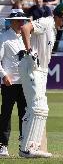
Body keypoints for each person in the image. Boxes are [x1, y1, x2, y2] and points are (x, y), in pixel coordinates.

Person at [17, 3, 63, 158]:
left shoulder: (53, 29)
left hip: (41, 70)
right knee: (38, 108)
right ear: (60, 16)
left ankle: (30, 146)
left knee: (38, 109)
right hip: (32, 67)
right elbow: (25, 28)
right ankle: (28, 148)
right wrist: (29, 50)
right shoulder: (46, 22)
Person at [0, 9, 29, 157]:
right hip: (9, 83)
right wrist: (4, 76)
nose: (21, 23)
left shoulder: (27, 36)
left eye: (23, 20)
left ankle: (24, 145)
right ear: (12, 21)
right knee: (6, 114)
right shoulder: (3, 37)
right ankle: (3, 145)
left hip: (25, 83)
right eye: (18, 20)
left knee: (24, 114)